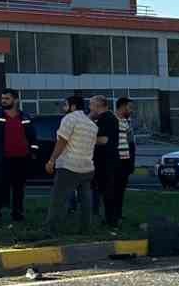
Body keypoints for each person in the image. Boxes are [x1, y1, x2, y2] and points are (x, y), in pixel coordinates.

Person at [45, 92, 97, 235]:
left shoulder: (69, 118)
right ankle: (86, 230)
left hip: (69, 166)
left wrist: (51, 160)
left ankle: (52, 229)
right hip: (87, 168)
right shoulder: (91, 124)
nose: (63, 108)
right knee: (86, 201)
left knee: (58, 199)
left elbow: (62, 141)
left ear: (73, 106)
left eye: (65, 105)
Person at [0, 89, 33, 223]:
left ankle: (17, 214)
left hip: (21, 159)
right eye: (2, 98)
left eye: (7, 98)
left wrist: (33, 151)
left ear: (15, 100)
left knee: (19, 188)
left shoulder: (24, 116)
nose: (3, 101)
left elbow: (32, 136)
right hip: (1, 158)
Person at [90, 96, 122, 232]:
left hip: (107, 161)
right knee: (105, 191)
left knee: (108, 191)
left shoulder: (107, 119)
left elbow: (103, 140)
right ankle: (109, 219)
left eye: (91, 105)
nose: (90, 108)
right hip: (104, 160)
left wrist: (87, 138)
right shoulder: (103, 119)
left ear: (99, 106)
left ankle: (111, 221)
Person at [105, 96, 137, 230]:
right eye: (130, 108)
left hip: (125, 161)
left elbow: (131, 144)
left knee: (120, 191)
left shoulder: (126, 121)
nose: (132, 111)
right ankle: (111, 218)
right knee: (112, 191)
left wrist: (130, 163)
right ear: (122, 107)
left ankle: (118, 215)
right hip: (114, 161)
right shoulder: (112, 120)